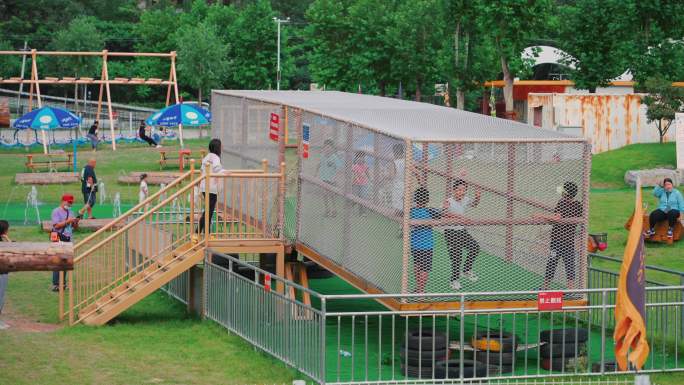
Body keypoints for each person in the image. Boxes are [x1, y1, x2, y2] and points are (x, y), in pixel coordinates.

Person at [536, 181, 582, 290]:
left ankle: (548, 287)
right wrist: (548, 219)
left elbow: (557, 218)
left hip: (560, 241)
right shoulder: (577, 204)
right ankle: (567, 289)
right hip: (566, 241)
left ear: (566, 193)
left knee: (556, 263)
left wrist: (540, 215)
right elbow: (556, 219)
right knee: (563, 263)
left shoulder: (564, 203)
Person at [442, 178, 481, 290]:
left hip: (462, 231)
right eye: (459, 190)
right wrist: (459, 218)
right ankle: (454, 280)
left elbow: (474, 204)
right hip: (450, 232)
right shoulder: (448, 201)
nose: (462, 192)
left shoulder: (465, 199)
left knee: (475, 248)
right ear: (454, 190)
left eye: (464, 190)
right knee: (457, 257)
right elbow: (443, 214)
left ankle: (466, 270)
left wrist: (478, 197)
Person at [410, 187, 442, 293]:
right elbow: (442, 214)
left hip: (415, 245)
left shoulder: (411, 210)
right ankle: (421, 291)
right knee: (425, 269)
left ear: (415, 199)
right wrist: (445, 208)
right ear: (427, 200)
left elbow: (398, 213)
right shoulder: (430, 211)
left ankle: (418, 288)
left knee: (417, 265)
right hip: (426, 246)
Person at [50, 194, 79, 292]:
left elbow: (74, 228)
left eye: (71, 202)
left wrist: (75, 222)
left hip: (67, 237)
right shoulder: (56, 211)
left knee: (66, 261)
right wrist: (68, 221)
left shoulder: (71, 212)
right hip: (56, 236)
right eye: (68, 202)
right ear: (63, 201)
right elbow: (56, 225)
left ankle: (63, 283)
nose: (70, 204)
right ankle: (55, 284)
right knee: (57, 260)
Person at [197, 139, 225, 235]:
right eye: (221, 146)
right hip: (212, 188)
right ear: (218, 147)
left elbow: (201, 170)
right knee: (209, 211)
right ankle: (203, 233)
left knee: (207, 211)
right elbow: (217, 169)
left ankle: (201, 232)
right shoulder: (216, 158)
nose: (222, 147)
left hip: (204, 187)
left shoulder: (206, 157)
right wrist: (225, 172)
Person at [316, 139, 343, 217]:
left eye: (329, 147)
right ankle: (327, 210)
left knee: (332, 196)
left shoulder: (334, 157)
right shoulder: (322, 156)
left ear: (332, 149)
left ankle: (334, 210)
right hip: (324, 179)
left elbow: (339, 168)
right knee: (324, 195)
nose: (327, 149)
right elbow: (319, 164)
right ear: (324, 148)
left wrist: (336, 177)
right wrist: (315, 174)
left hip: (332, 180)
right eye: (326, 147)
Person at [351, 151, 370, 216]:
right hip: (355, 184)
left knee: (363, 198)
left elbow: (368, 174)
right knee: (355, 199)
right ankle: (351, 207)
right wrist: (357, 179)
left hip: (363, 184)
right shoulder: (354, 166)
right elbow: (354, 175)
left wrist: (371, 180)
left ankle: (362, 212)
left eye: (362, 157)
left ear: (364, 158)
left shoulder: (365, 166)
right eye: (358, 157)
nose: (360, 159)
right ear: (356, 158)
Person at [0, 220, 10, 330]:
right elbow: (15, 249)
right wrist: (7, 239)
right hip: (2, 273)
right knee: (0, 297)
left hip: (3, 273)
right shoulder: (3, 244)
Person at [390, 143, 406, 214]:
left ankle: (398, 212)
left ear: (394, 152)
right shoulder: (406, 161)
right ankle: (404, 212)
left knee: (397, 200)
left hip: (397, 183)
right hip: (406, 183)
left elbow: (392, 175)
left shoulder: (394, 162)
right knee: (404, 199)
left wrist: (385, 176)